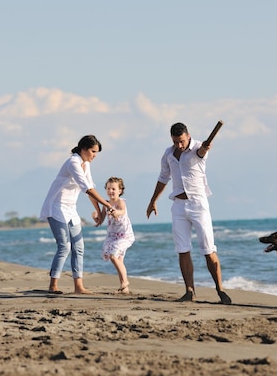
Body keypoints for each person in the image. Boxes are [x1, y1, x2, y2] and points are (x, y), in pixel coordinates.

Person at [146, 122, 232, 305]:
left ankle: (221, 290)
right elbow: (163, 177)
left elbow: (202, 152)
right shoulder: (168, 154)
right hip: (178, 205)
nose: (179, 145)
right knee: (182, 249)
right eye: (176, 142)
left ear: (188, 136)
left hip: (198, 204)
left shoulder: (198, 148)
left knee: (208, 249)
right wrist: (153, 200)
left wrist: (205, 148)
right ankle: (189, 291)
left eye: (182, 141)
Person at [39, 135, 116, 294]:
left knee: (79, 246)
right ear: (83, 149)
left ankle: (78, 286)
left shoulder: (85, 164)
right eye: (93, 151)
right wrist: (107, 204)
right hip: (56, 207)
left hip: (71, 208)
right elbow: (86, 188)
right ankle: (53, 285)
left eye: (96, 152)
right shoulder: (73, 163)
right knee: (64, 246)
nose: (95, 155)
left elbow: (90, 189)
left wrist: (101, 212)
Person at [96, 177, 135, 294]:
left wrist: (116, 212)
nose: (110, 191)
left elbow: (122, 211)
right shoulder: (106, 204)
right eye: (108, 189)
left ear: (120, 190)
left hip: (124, 235)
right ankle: (125, 288)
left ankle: (125, 282)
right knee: (119, 260)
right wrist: (95, 217)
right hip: (112, 236)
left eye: (113, 189)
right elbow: (101, 219)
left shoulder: (120, 202)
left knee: (113, 256)